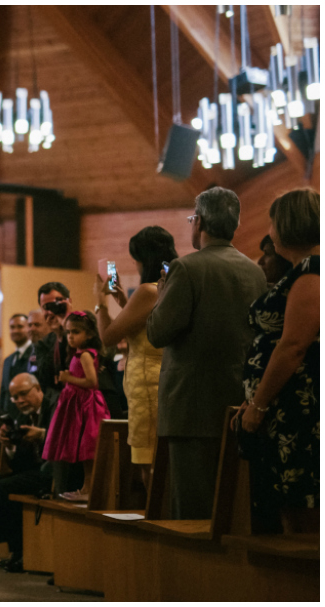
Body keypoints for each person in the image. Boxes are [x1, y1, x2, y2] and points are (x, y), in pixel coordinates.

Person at [147, 186, 266, 520]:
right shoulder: (254, 271)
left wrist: (160, 296)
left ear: (198, 221)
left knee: (192, 511)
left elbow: (158, 332)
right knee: (231, 509)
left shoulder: (186, 269)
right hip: (236, 403)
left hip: (190, 408)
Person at [238, 189, 319, 533]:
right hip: (284, 400)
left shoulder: (312, 272)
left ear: (287, 224)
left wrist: (259, 403)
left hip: (299, 402)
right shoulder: (302, 269)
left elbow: (294, 346)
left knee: (300, 505)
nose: (270, 230)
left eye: (272, 222)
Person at [95, 226, 178, 490]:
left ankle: (154, 522)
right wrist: (122, 300)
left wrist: (100, 301)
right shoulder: (169, 285)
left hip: (145, 383)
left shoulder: (146, 291)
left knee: (148, 465)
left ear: (144, 259)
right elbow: (146, 325)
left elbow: (108, 337)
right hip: (163, 379)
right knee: (162, 460)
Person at [0, 373, 56, 573]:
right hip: (32, 471)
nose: (20, 401)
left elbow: (65, 438)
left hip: (56, 472)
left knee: (4, 486)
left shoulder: (54, 408)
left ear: (38, 389)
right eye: (15, 397)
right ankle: (10, 548)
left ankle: (20, 551)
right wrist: (9, 446)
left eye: (24, 394)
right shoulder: (20, 417)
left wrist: (42, 435)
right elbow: (19, 461)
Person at [43, 311, 110, 502]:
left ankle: (89, 489)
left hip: (87, 405)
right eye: (68, 332)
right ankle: (85, 488)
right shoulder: (79, 354)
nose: (70, 336)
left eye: (76, 332)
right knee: (83, 452)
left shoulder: (86, 355)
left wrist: (68, 378)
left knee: (88, 450)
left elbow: (92, 382)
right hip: (78, 403)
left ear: (89, 334)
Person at [0, 313, 33, 415]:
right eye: (12, 327)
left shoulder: (36, 355)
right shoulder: (8, 360)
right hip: (10, 421)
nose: (15, 331)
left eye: (20, 327)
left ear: (28, 328)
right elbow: (4, 392)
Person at [24, 309, 49, 376]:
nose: (32, 329)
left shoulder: (53, 351)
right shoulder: (28, 351)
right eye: (29, 325)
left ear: (48, 327)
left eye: (37, 325)